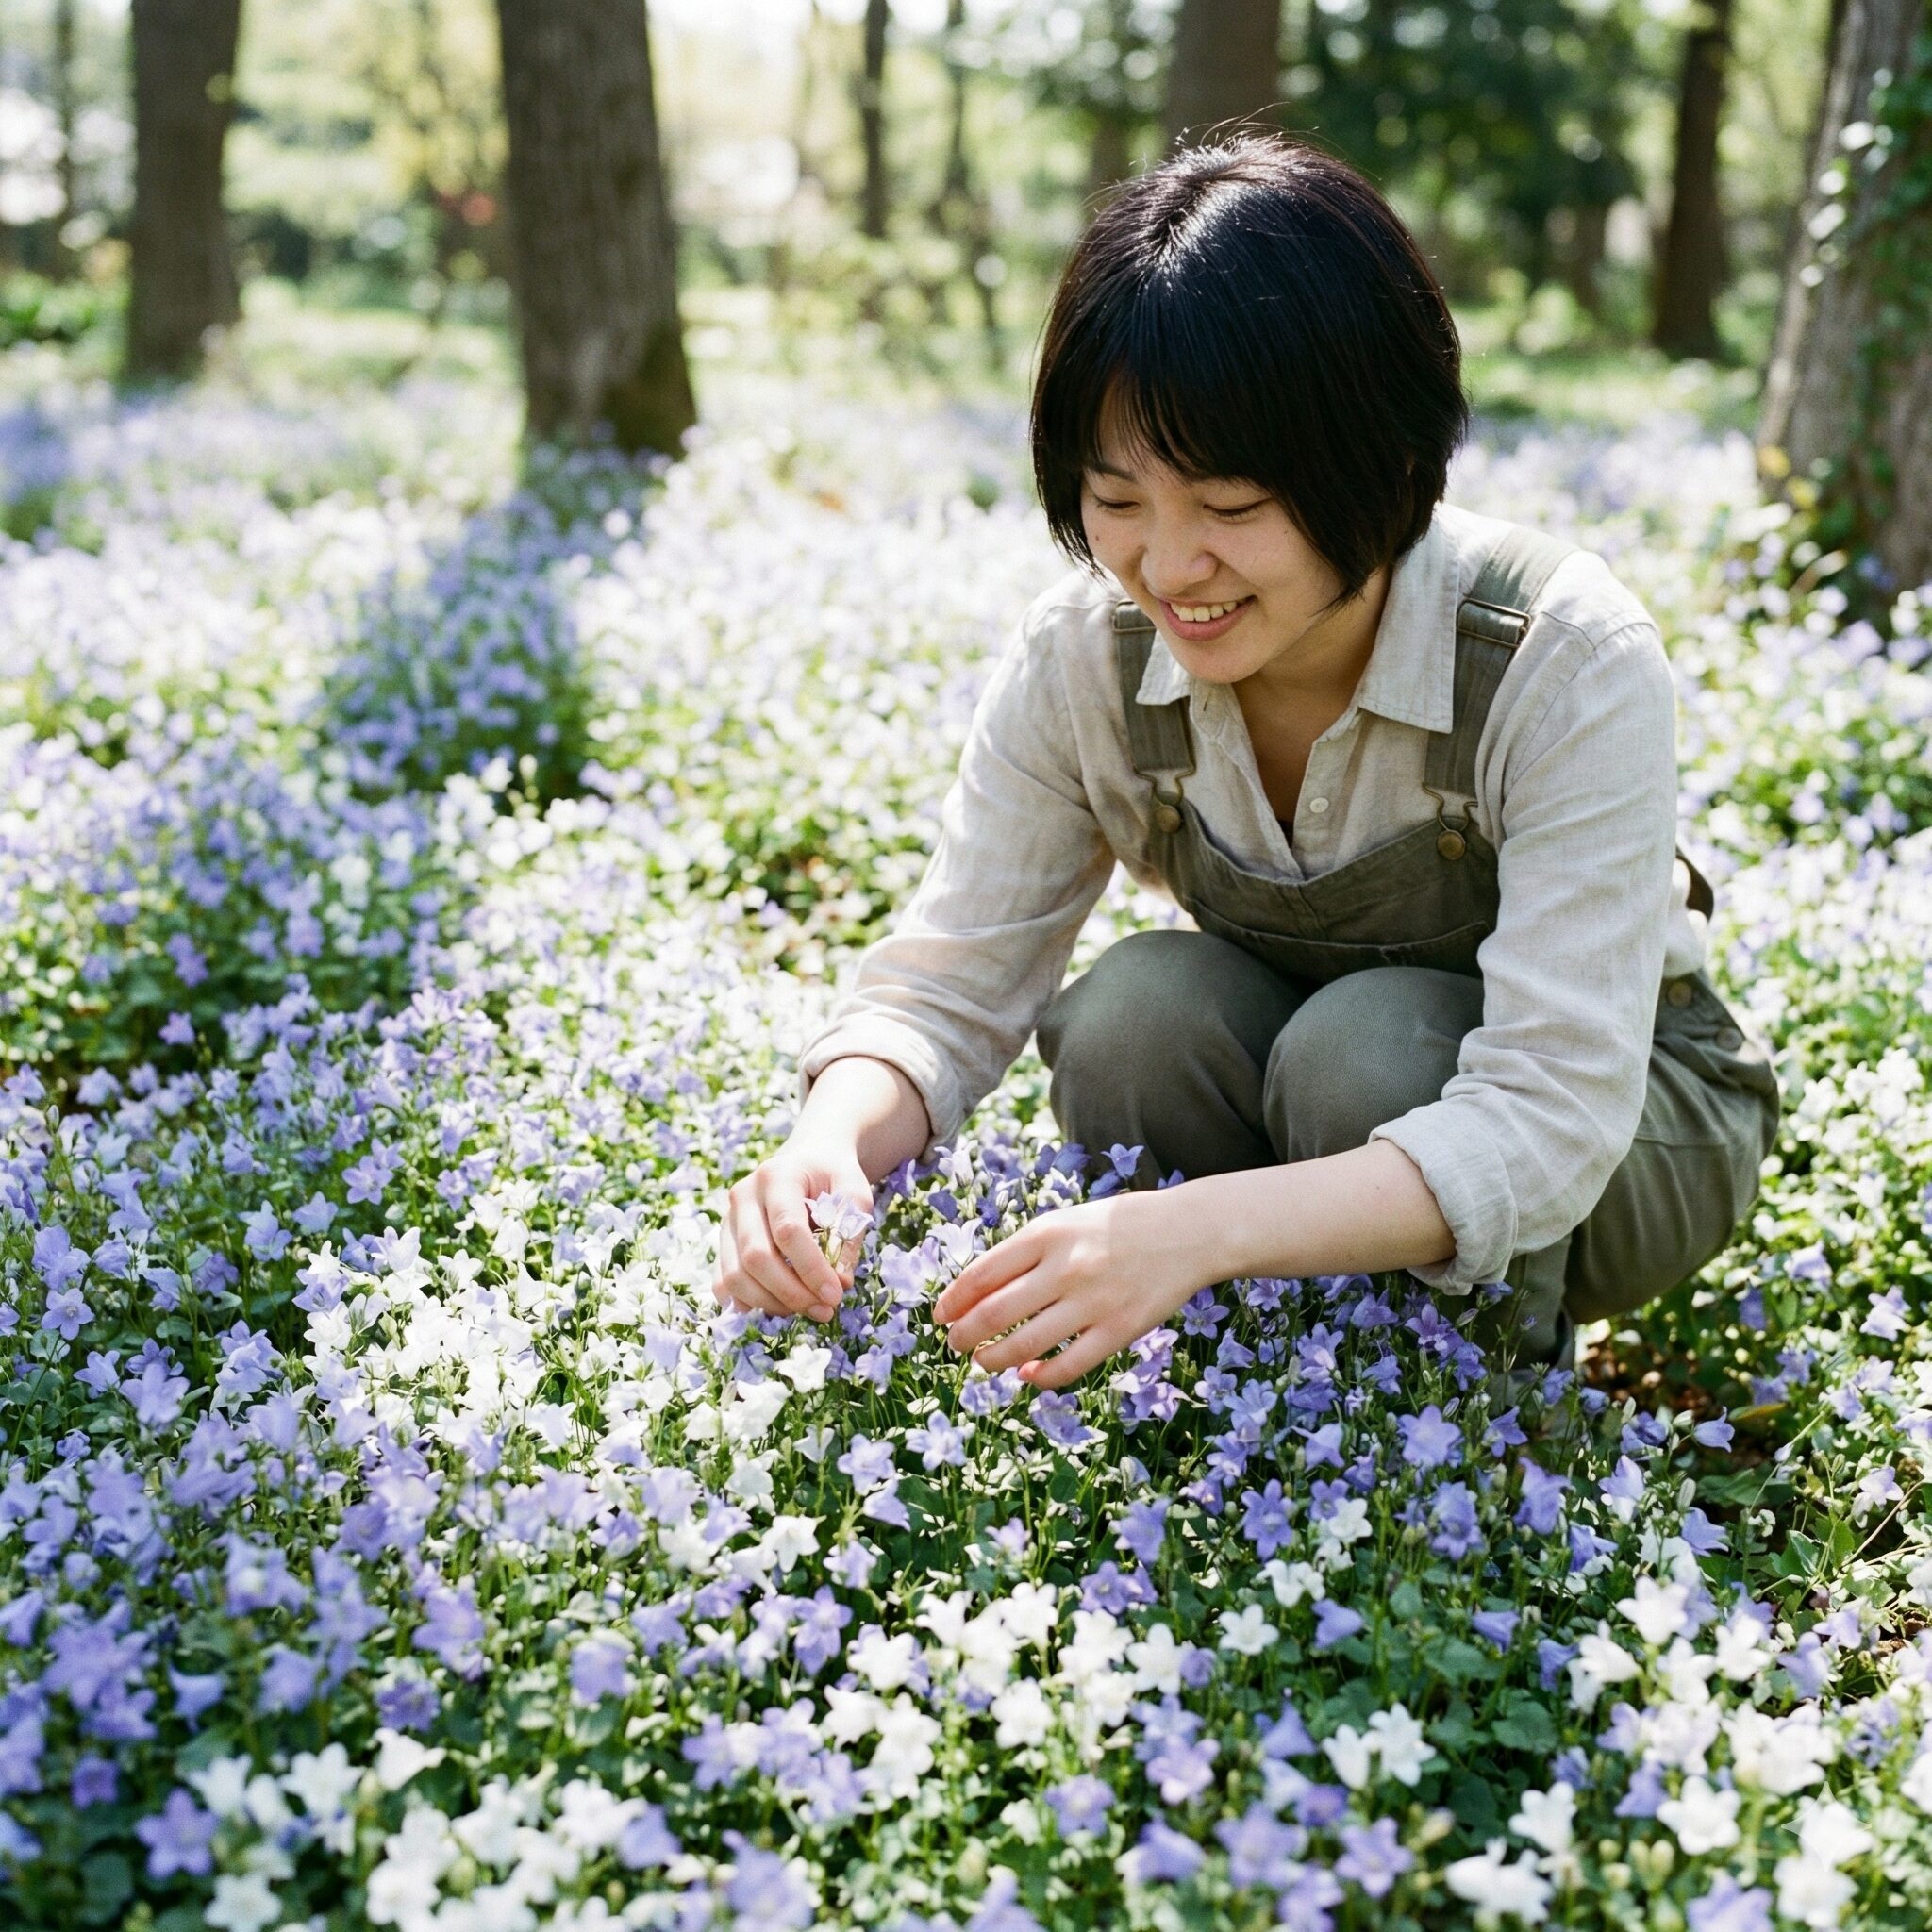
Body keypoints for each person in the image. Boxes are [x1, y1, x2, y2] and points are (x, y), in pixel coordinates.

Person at [712, 134, 1782, 1391]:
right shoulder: (1085, 659)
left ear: (1382, 470)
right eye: (1117, 501)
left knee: (1368, 1049)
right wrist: (827, 1145)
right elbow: (947, 986)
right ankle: (1239, 1401)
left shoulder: (1562, 653)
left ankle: (1470, 1424)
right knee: (1131, 1018)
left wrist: (1181, 1235)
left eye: (1228, 509)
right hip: (1308, 1085)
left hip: (1630, 1128)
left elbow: (1551, 1119)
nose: (1169, 568)